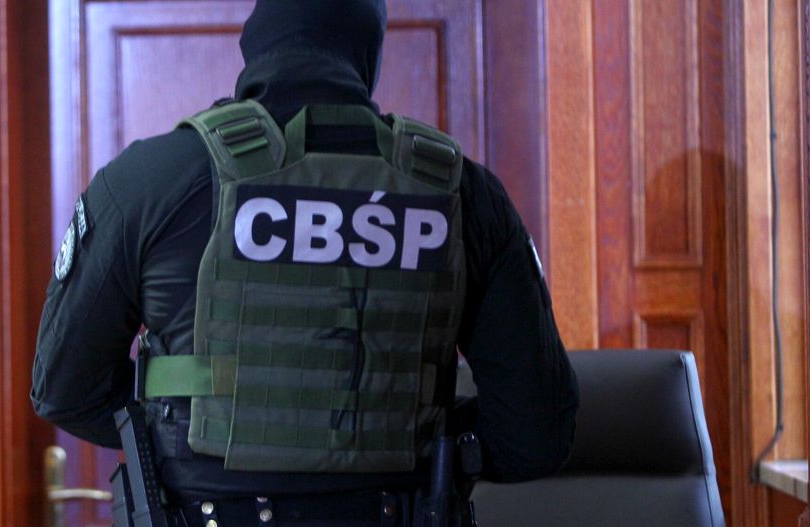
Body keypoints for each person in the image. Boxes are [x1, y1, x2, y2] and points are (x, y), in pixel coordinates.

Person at [32, 0, 579, 525]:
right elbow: (534, 437)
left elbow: (65, 390)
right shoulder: (464, 195)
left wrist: (186, 426)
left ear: (255, 45)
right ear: (368, 54)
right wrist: (398, 422)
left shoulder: (151, 181)